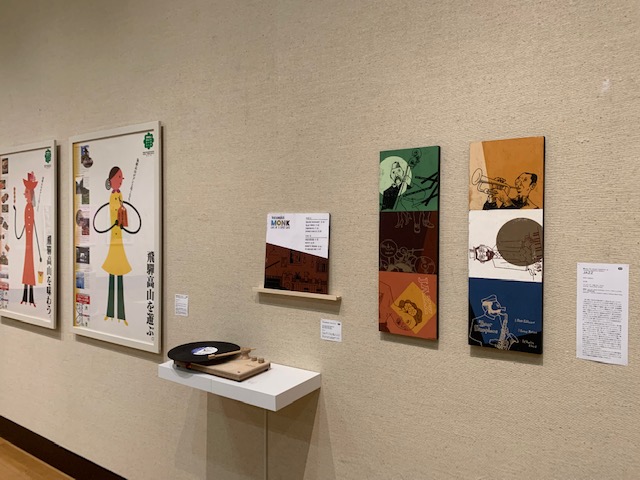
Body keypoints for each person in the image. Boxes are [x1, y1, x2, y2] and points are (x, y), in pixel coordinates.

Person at [93, 167, 140, 326]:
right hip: (114, 240)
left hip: (118, 240)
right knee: (112, 276)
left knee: (118, 275)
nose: (121, 180)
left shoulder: (119, 195)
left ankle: (121, 314)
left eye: (121, 177)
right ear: (112, 179)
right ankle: (110, 312)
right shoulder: (113, 196)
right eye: (119, 177)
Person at [14, 172, 41, 306]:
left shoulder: (29, 208)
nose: (24, 194)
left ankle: (29, 298)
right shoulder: (27, 207)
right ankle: (26, 298)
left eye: (26, 192)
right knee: (27, 270)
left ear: (30, 193)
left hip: (29, 246)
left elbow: (32, 226)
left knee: (29, 270)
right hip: (27, 245)